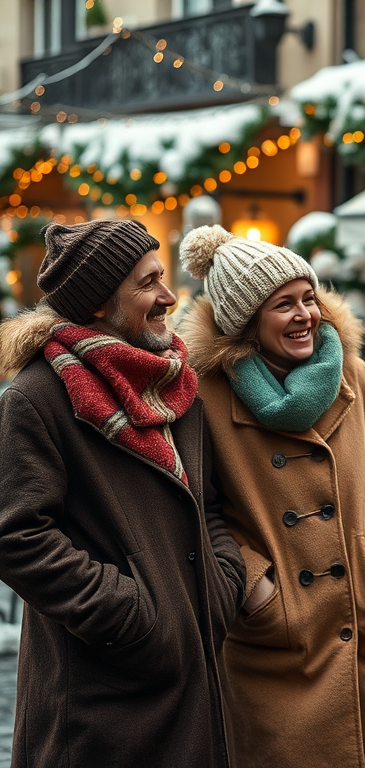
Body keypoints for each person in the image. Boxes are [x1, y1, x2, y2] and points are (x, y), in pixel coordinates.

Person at [0, 219, 245, 768]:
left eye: (163, 277)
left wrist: (222, 583)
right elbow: (16, 536)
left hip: (193, 677)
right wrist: (133, 617)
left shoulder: (176, 382)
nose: (167, 296)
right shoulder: (37, 396)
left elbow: (205, 505)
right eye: (147, 284)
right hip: (101, 704)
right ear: (96, 306)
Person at [177, 225, 365, 768]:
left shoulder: (352, 372)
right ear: (246, 324)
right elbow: (197, 509)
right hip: (272, 641)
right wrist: (255, 588)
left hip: (355, 623)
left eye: (309, 297)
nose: (306, 314)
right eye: (284, 304)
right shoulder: (203, 394)